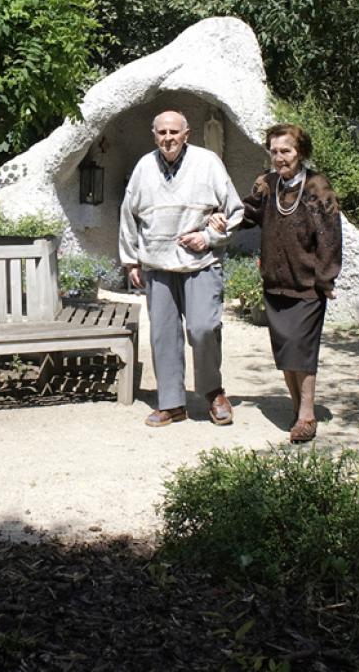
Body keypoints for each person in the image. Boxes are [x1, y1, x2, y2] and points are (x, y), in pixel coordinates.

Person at [212, 123, 341, 443]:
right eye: (275, 151)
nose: (280, 157)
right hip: (275, 283)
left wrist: (326, 278)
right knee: (285, 351)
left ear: (301, 152)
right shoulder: (266, 185)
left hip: (307, 284)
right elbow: (247, 214)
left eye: (287, 151)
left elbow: (329, 236)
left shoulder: (317, 187)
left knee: (303, 350)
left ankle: (307, 415)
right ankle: (299, 410)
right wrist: (220, 219)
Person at [119, 110, 244, 427]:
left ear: (186, 134)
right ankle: (172, 403)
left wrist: (209, 236)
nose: (167, 138)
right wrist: (131, 259)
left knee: (203, 329)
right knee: (163, 335)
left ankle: (213, 393)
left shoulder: (207, 163)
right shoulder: (144, 167)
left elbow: (235, 210)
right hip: (158, 265)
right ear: (154, 134)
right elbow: (128, 214)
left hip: (200, 264)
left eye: (174, 132)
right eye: (161, 132)